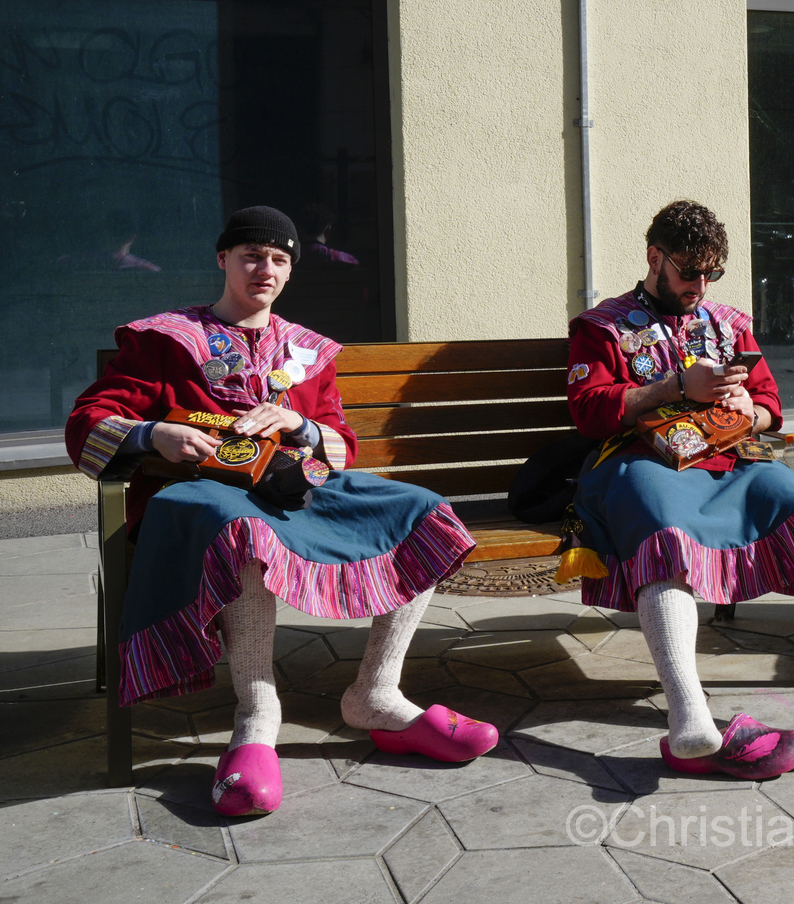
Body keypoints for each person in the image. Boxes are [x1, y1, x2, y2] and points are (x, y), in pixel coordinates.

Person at [66, 207, 495, 817]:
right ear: (222, 260)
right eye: (250, 255)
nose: (262, 268)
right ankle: (257, 714)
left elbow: (343, 445)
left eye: (278, 259)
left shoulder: (308, 352)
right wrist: (151, 433)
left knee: (420, 512)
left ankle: (376, 693)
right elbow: (89, 419)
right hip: (202, 498)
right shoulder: (162, 340)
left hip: (297, 490)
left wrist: (302, 424)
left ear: (290, 272)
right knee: (244, 532)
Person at [563, 200, 794, 778]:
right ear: (654, 258)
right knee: (664, 532)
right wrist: (673, 386)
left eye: (712, 272)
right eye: (690, 271)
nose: (701, 284)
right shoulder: (601, 327)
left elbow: (770, 404)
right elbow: (588, 413)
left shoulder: (730, 323)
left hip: (728, 460)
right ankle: (688, 714)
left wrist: (751, 411)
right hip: (639, 464)